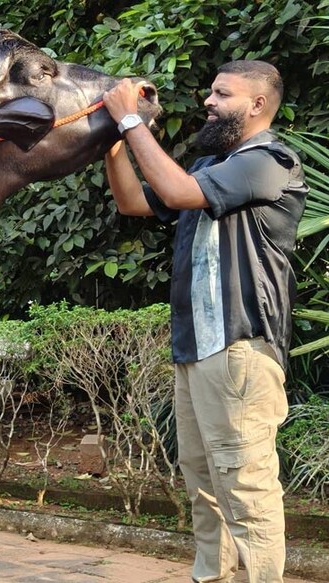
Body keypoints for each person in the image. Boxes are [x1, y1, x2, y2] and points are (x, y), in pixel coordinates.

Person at [102, 61, 308, 583]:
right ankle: (210, 575)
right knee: (203, 480)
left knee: (245, 485)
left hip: (240, 347)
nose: (208, 102)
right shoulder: (212, 167)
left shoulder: (269, 161)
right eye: (211, 93)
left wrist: (132, 122)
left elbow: (174, 193)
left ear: (257, 104)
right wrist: (112, 143)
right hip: (196, 350)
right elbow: (132, 201)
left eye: (222, 93)